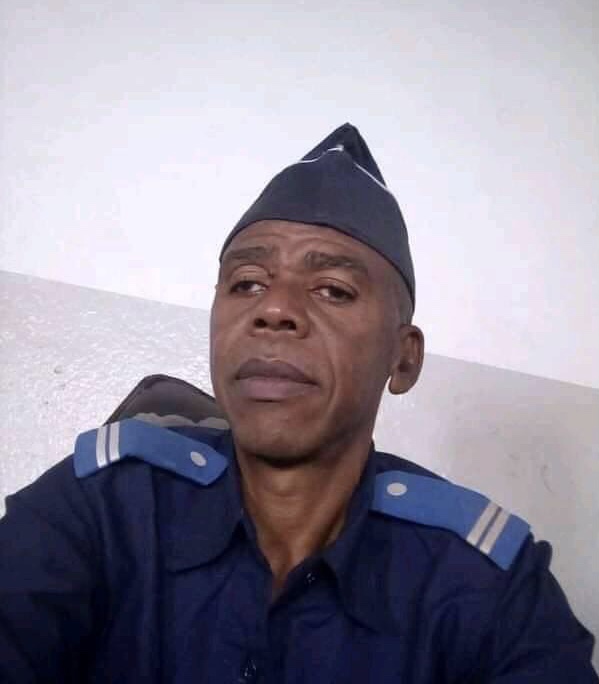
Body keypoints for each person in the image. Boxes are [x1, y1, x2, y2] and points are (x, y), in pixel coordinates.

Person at [0, 123, 596, 683]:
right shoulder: (104, 506)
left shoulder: (484, 581)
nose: (274, 308)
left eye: (333, 289)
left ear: (403, 358)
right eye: (247, 283)